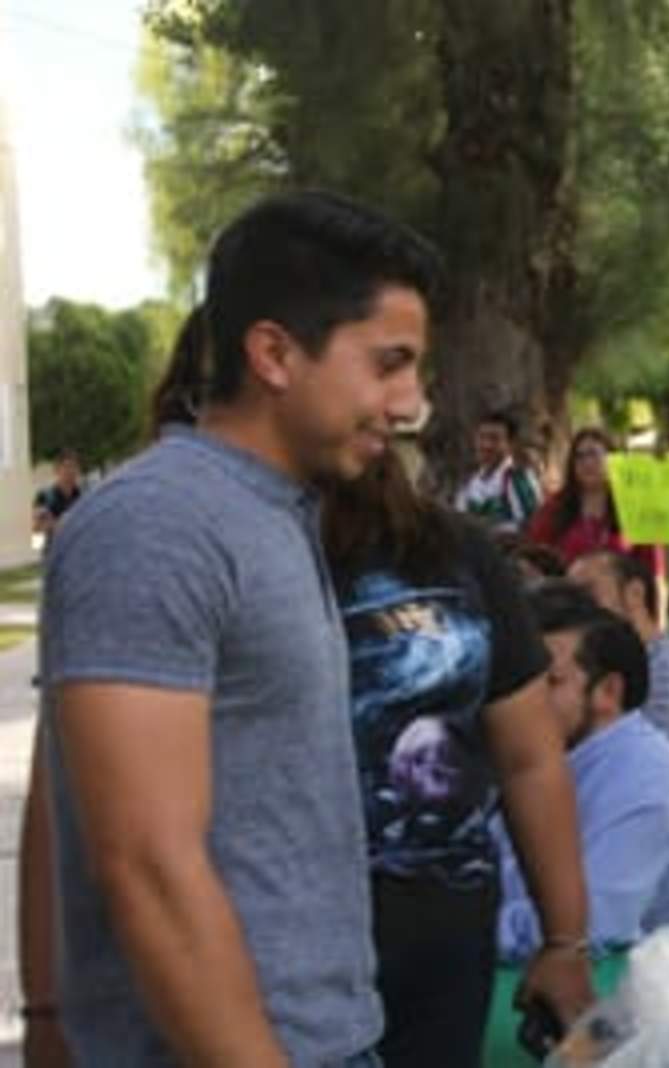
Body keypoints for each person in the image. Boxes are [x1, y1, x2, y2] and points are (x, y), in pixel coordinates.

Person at [24, 191, 439, 1067]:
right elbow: (148, 866)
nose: (409, 404)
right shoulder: (158, 526)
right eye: (389, 365)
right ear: (274, 354)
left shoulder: (273, 514)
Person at [322, 450, 594, 1067]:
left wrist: (565, 941)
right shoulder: (230, 545)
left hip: (439, 942)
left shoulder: (458, 551)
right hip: (275, 944)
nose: (394, 409)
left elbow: (531, 757)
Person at [497, 583, 669, 958]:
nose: (523, 701)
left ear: (608, 692)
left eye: (550, 682)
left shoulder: (642, 780)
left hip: (610, 980)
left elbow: (597, 928)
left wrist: (457, 927)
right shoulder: (557, 758)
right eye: (518, 683)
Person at [570, 548, 669, 780]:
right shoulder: (637, 664)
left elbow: (658, 773)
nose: (577, 607)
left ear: (635, 593)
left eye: (588, 592)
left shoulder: (664, 672)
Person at [524, 427, 653, 570]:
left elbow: (650, 565)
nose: (587, 463)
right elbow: (534, 558)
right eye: (579, 456)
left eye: (593, 454)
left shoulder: (634, 508)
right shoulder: (554, 508)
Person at [455, 409, 542, 536]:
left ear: (511, 444)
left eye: (494, 439)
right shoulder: (468, 484)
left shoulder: (518, 479)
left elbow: (534, 526)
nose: (486, 445)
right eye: (482, 437)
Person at [32, 450, 83, 543]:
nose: (70, 471)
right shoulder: (44, 496)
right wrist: (51, 526)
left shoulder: (83, 498)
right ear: (57, 470)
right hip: (53, 549)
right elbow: (37, 531)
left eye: (74, 467)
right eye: (67, 466)